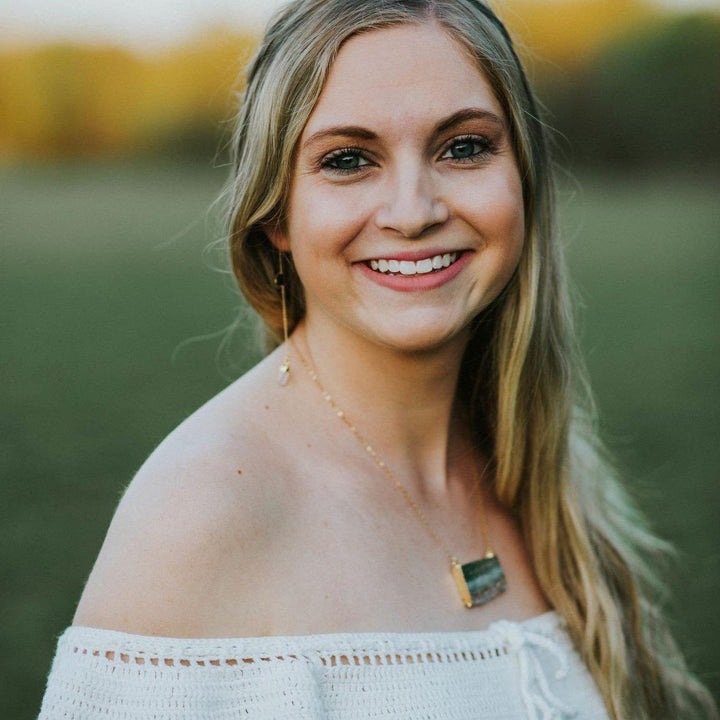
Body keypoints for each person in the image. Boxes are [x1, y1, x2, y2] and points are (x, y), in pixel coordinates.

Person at [38, 1, 717, 719]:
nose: (413, 209)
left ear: (523, 176)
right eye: (348, 160)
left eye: (462, 148)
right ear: (276, 218)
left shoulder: (541, 466)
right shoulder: (202, 510)